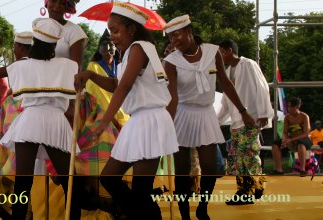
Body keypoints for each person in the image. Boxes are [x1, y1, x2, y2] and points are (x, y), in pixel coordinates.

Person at [75, 3, 179, 219]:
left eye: (115, 30)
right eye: (110, 31)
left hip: (150, 120)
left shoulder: (139, 47)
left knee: (141, 191)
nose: (111, 37)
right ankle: (134, 214)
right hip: (138, 121)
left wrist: (104, 122)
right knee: (110, 178)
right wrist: (91, 75)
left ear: (131, 29)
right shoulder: (130, 53)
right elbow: (116, 85)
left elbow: (124, 87)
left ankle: (139, 215)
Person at [163, 15, 256, 220]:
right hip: (182, 114)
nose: (173, 41)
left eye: (176, 35)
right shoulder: (170, 61)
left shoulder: (213, 52)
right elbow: (172, 97)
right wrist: (166, 126)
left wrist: (243, 111)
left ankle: (202, 207)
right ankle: (184, 213)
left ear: (189, 31)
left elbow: (225, 83)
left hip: (206, 113)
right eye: (170, 37)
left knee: (211, 167)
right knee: (182, 169)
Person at [0, 17, 81, 220]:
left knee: (23, 182)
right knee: (71, 182)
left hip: (30, 122)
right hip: (56, 122)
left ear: (34, 41)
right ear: (54, 44)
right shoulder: (68, 65)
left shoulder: (21, 65)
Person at [217, 39, 273, 205]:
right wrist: (216, 121)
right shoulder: (227, 72)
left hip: (251, 118)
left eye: (220, 52)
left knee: (249, 154)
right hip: (236, 122)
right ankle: (246, 189)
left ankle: (253, 187)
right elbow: (226, 101)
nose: (219, 57)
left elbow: (262, 87)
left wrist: (263, 113)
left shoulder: (248, 64)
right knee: (239, 158)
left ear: (227, 51)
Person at [85, 29, 128, 129]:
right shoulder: (93, 66)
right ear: (99, 48)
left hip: (123, 112)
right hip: (103, 114)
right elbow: (95, 92)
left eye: (112, 44)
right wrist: (108, 113)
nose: (109, 47)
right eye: (105, 44)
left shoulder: (120, 66)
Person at [271, 97, 312, 176]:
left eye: (291, 107)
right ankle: (279, 169)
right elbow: (285, 132)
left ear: (297, 106)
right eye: (288, 106)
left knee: (300, 144)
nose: (289, 109)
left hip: (304, 139)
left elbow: (306, 133)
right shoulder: (287, 117)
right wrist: (284, 139)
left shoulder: (304, 116)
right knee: (275, 144)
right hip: (291, 140)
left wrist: (290, 140)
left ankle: (302, 170)